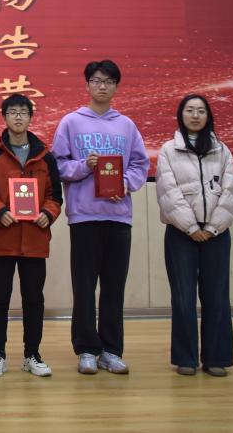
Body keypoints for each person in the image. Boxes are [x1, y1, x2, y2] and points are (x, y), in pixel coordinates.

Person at [51, 60, 148, 376]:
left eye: (108, 81)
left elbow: (140, 165)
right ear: (87, 85)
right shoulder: (71, 122)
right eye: (96, 80)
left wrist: (125, 184)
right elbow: (57, 166)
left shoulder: (127, 126)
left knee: (114, 288)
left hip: (118, 217)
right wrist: (84, 166)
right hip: (84, 217)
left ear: (116, 86)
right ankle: (86, 350)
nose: (102, 86)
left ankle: (111, 350)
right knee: (84, 288)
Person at [0, 93, 61, 378]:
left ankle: (32, 354)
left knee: (33, 299)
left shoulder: (45, 156)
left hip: (35, 239)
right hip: (3, 239)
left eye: (23, 112)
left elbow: (55, 197)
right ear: (4, 117)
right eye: (13, 112)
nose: (18, 117)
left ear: (31, 117)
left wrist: (47, 213)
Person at [156, 94, 233, 377]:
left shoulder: (222, 150)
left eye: (200, 111)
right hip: (181, 234)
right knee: (183, 297)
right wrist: (191, 227)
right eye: (189, 110)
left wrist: (212, 228)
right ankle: (186, 359)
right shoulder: (169, 150)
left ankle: (216, 358)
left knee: (217, 296)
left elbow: (229, 192)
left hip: (217, 233)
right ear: (181, 115)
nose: (195, 115)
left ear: (208, 116)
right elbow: (168, 192)